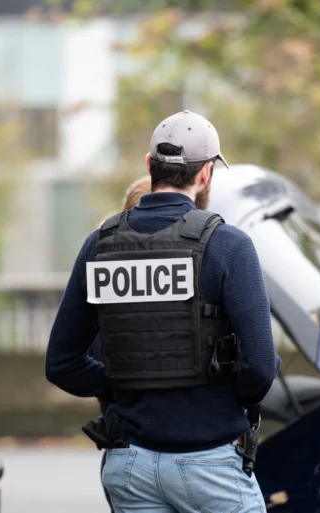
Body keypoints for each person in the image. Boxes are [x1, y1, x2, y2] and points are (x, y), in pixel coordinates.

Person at [46, 110, 280, 513]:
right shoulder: (228, 245)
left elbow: (62, 363)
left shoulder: (98, 245)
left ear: (150, 165)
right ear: (206, 174)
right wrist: (217, 396)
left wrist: (124, 382)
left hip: (129, 466)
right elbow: (261, 367)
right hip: (210, 462)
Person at [90, 175, 152, 513]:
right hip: (179, 447)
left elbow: (70, 362)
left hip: (122, 446)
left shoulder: (103, 264)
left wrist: (119, 383)